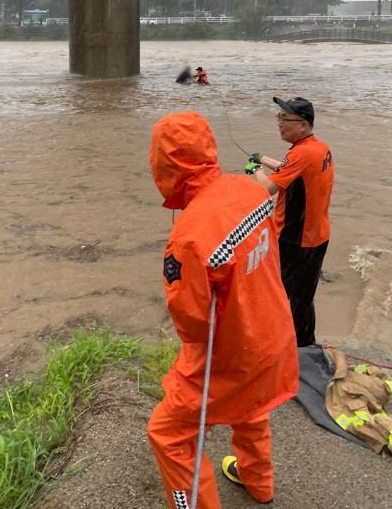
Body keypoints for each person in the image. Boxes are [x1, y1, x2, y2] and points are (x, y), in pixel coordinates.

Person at [148, 111, 298, 509]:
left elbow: (193, 326)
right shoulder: (249, 189)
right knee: (251, 408)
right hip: (273, 335)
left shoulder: (189, 236)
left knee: (168, 434)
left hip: (232, 354)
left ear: (163, 164)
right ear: (208, 148)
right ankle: (258, 482)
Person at [246, 96, 334, 347]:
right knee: (304, 296)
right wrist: (263, 159)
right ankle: (305, 343)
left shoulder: (301, 154)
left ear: (303, 125)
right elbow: (291, 169)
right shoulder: (318, 148)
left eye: (285, 119)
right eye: (279, 117)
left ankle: (294, 349)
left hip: (296, 237)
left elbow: (266, 189)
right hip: (318, 234)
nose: (279, 123)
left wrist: (254, 171)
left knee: (287, 296)